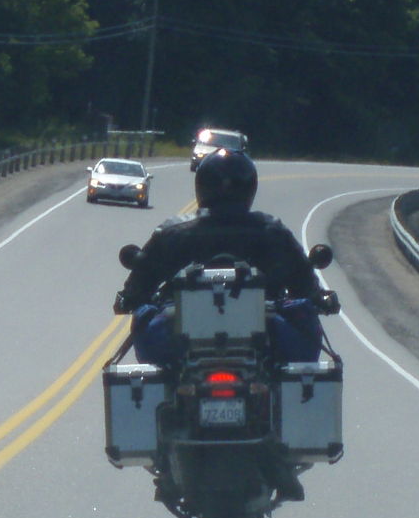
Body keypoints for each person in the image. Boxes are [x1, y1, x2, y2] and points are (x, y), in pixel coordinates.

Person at [113, 148, 334, 365]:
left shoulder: (173, 232)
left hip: (179, 342)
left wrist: (129, 297)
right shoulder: (272, 231)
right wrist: (319, 297)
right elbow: (302, 280)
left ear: (201, 186)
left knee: (146, 319)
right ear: (250, 187)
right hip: (267, 342)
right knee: (302, 320)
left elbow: (143, 278)